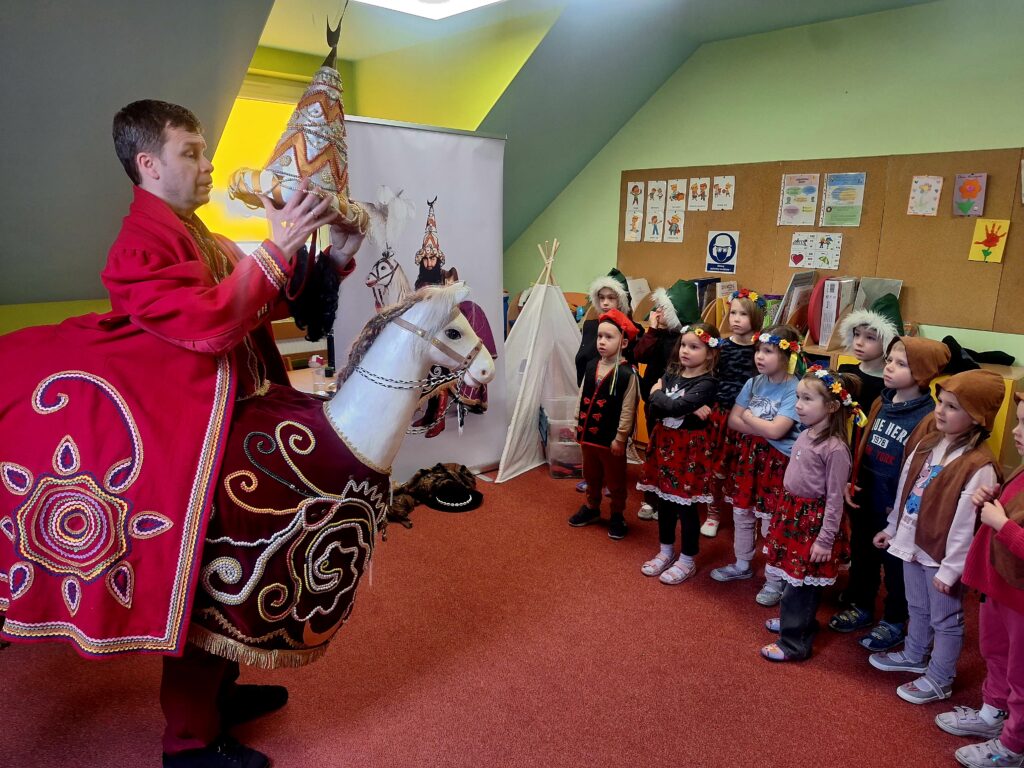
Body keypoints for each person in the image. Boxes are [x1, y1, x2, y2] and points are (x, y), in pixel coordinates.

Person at [0, 98, 364, 768]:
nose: (208, 164)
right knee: (211, 574)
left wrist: (333, 254)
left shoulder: (203, 236)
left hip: (227, 409)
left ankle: (218, 694)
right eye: (191, 153)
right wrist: (278, 246)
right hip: (181, 431)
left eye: (204, 151)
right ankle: (190, 743)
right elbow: (207, 323)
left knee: (249, 552)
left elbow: (266, 295)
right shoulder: (137, 245)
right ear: (148, 164)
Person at [869, 370, 1005, 705]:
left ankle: (940, 678)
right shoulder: (928, 443)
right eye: (940, 402)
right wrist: (893, 527)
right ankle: (915, 654)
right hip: (912, 542)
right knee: (916, 606)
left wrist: (951, 569)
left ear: (977, 417)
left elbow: (966, 525)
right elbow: (905, 489)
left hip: (942, 556)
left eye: (952, 407)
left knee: (945, 619)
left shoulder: (979, 465)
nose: (940, 411)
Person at [829, 336, 950, 649]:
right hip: (867, 497)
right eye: (890, 360)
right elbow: (863, 442)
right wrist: (851, 479)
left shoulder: (929, 418)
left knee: (897, 570)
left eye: (901, 364)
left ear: (922, 373)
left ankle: (894, 620)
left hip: (897, 509)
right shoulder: (881, 402)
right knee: (863, 555)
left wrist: (902, 510)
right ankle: (861, 605)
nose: (889, 368)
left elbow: (923, 471)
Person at [937, 393, 1024, 768]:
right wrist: (996, 498)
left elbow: (1013, 529)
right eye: (1019, 421)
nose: (1016, 431)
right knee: (995, 651)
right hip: (1000, 586)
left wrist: (1001, 524)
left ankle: (1013, 747)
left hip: (1019, 596)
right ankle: (993, 713)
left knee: (1021, 674)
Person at [759, 367, 862, 661]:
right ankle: (794, 620)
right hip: (793, 513)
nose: (798, 405)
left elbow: (835, 499)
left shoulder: (835, 448)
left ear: (831, 406)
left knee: (802, 583)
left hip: (813, 522)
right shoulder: (807, 434)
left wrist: (825, 540)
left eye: (807, 399)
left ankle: (794, 643)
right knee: (793, 577)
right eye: (797, 397)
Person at [709, 326, 802, 607]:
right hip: (749, 459)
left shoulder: (795, 388)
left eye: (768, 351)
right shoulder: (753, 383)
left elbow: (777, 431)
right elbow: (733, 421)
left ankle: (774, 580)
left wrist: (749, 417)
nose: (760, 357)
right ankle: (742, 563)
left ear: (787, 355)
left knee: (771, 522)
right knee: (742, 513)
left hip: (777, 463)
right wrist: (761, 425)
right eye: (758, 350)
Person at [637, 323, 720, 585]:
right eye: (683, 345)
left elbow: (669, 405)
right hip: (664, 445)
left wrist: (660, 395)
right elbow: (653, 408)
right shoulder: (672, 372)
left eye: (694, 347)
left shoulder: (707, 383)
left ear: (710, 353)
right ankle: (666, 551)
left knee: (686, 507)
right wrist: (681, 406)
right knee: (664, 503)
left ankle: (687, 559)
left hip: (688, 451)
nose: (685, 350)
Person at [569, 309, 640, 540]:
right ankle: (592, 507)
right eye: (600, 336)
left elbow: (628, 409)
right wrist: (576, 422)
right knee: (591, 475)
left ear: (624, 342)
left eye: (609, 337)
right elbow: (581, 395)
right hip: (588, 437)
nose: (601, 341)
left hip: (611, 441)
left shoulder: (628, 374)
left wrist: (621, 437)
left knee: (615, 479)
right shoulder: (592, 366)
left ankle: (617, 514)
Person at [633, 280, 698, 521]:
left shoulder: (686, 341)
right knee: (653, 452)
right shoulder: (658, 333)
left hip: (678, 407)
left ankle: (670, 499)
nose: (658, 312)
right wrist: (652, 330)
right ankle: (651, 498)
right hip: (654, 404)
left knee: (676, 455)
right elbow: (639, 354)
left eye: (664, 308)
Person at [702, 288, 763, 538]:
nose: (736, 319)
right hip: (721, 415)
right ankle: (713, 511)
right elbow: (709, 378)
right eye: (733, 313)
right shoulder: (721, 347)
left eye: (743, 314)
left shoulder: (761, 349)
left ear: (755, 318)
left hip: (750, 418)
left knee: (746, 468)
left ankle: (748, 515)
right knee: (717, 466)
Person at [574, 269, 639, 493]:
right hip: (593, 380)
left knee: (612, 445)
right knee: (591, 443)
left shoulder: (629, 329)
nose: (605, 302)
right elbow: (584, 354)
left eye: (611, 298)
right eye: (601, 298)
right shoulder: (592, 326)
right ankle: (594, 479)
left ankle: (612, 482)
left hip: (616, 386)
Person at [836, 294, 902, 419]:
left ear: (888, 343)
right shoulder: (845, 371)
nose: (859, 342)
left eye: (870, 337)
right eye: (857, 334)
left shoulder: (889, 383)